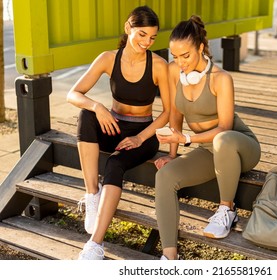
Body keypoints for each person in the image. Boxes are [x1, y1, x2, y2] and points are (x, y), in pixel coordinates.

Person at [66, 5, 170, 260]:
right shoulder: (107, 58)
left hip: (144, 133)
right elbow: (74, 94)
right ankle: (92, 194)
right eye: (142, 34)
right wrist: (97, 106)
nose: (147, 42)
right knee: (86, 115)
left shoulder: (158, 65)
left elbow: (168, 112)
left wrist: (140, 137)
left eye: (153, 37)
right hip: (114, 124)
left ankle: (95, 245)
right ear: (128, 28)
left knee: (114, 164)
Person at [154, 15, 261, 260]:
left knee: (221, 141)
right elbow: (175, 114)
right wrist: (173, 153)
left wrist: (188, 140)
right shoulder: (174, 72)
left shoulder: (221, 79)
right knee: (164, 176)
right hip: (206, 149)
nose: (180, 62)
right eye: (175, 56)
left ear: (200, 48)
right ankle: (169, 258)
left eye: (186, 56)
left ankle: (227, 210)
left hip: (239, 147)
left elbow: (224, 127)